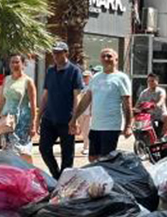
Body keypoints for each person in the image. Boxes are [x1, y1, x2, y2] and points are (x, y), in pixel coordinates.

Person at [70, 48, 132, 161]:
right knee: (92, 158)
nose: (106, 58)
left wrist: (128, 126)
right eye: (103, 56)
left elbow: (127, 103)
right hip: (95, 126)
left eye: (109, 56)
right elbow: (86, 99)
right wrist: (74, 119)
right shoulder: (96, 77)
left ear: (116, 60)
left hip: (111, 126)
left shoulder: (121, 78)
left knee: (106, 160)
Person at [38, 41, 84, 179]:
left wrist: (75, 119)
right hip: (49, 118)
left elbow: (77, 97)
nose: (56, 55)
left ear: (66, 53)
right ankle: (57, 175)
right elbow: (45, 95)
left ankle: (65, 180)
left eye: (59, 52)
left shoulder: (74, 71)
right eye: (54, 53)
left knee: (67, 154)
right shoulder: (50, 71)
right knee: (44, 149)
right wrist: (38, 117)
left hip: (67, 120)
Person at [0, 53, 38, 164]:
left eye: (17, 62)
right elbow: (2, 100)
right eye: (12, 62)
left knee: (23, 151)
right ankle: (13, 172)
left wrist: (33, 124)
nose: (14, 65)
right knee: (8, 151)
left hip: (22, 122)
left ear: (23, 64)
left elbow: (33, 105)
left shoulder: (28, 81)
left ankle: (29, 171)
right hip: (7, 121)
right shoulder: (6, 79)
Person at [138, 72, 167, 138]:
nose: (150, 83)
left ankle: (162, 136)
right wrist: (136, 109)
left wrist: (157, 105)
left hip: (160, 114)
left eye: (152, 81)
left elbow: (162, 99)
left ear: (157, 81)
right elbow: (138, 104)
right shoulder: (144, 93)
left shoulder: (161, 91)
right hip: (149, 115)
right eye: (148, 81)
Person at [78, 69, 94, 156]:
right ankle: (87, 146)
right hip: (81, 112)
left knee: (87, 131)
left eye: (86, 77)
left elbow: (93, 100)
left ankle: (86, 148)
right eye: (84, 77)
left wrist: (91, 111)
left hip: (88, 113)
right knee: (83, 131)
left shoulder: (92, 87)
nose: (85, 78)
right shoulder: (82, 86)